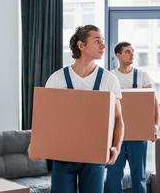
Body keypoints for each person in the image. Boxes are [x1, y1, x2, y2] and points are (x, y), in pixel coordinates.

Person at [32, 25, 124, 193]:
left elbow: (118, 120)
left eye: (103, 42)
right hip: (63, 155)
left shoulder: (109, 80)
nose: (103, 46)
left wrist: (116, 148)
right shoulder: (57, 79)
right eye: (97, 41)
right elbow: (44, 118)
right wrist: (35, 145)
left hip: (94, 157)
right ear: (82, 46)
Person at [105, 41, 160, 193]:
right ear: (118, 54)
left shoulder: (143, 76)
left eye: (133, 51)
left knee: (139, 176)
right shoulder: (110, 77)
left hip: (138, 137)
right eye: (128, 51)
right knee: (113, 175)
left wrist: (155, 126)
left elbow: (154, 103)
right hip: (116, 137)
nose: (132, 54)